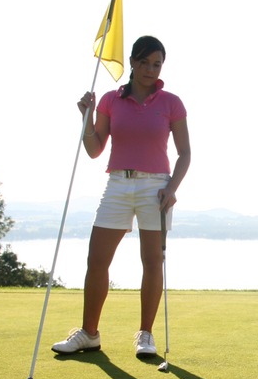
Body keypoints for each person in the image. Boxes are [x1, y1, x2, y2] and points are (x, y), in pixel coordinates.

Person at [52, 36, 191, 358]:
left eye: (156, 64)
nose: (150, 70)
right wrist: (86, 117)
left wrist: (172, 189)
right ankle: (89, 333)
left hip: (156, 187)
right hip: (117, 183)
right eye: (144, 63)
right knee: (97, 260)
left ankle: (146, 335)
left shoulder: (171, 102)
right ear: (132, 62)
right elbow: (94, 149)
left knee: (152, 262)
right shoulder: (111, 100)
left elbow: (185, 154)